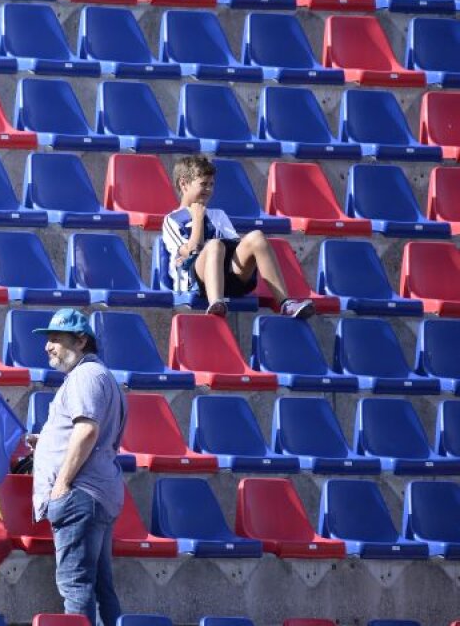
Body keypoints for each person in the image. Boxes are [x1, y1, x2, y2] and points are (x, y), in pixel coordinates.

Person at [32, 308, 126, 626]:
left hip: (79, 493)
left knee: (75, 586)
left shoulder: (86, 375)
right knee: (101, 589)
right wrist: (45, 442)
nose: (48, 346)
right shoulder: (99, 375)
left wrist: (62, 483)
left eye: (56, 338)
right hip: (95, 492)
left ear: (81, 340)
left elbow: (87, 431)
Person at [161, 154, 314, 319]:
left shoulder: (218, 215)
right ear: (184, 184)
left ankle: (285, 303)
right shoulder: (172, 219)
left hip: (228, 277)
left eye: (211, 185)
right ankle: (216, 303)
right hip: (195, 282)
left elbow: (234, 245)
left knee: (256, 237)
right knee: (214, 245)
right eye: (203, 184)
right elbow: (190, 251)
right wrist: (198, 219)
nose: (209, 190)